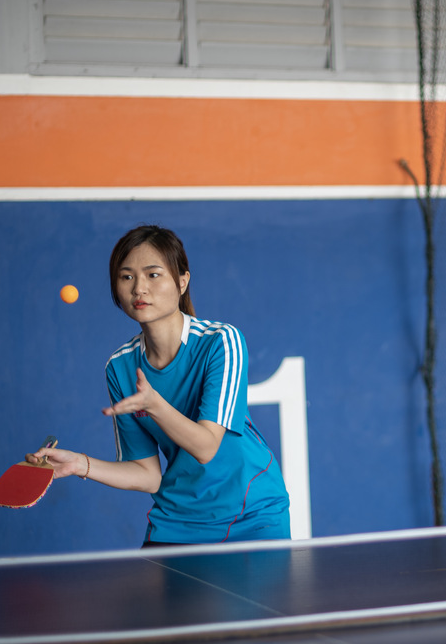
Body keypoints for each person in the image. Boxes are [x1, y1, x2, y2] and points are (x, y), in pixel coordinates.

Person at [32, 225, 291, 545]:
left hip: (252, 515)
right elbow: (148, 475)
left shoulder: (221, 341)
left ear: (182, 281)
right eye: (127, 277)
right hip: (179, 518)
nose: (139, 288)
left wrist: (154, 405)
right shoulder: (120, 367)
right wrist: (80, 464)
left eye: (153, 275)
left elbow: (206, 447)